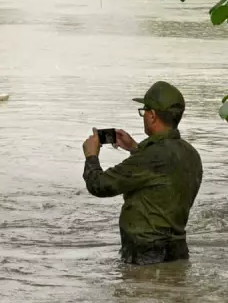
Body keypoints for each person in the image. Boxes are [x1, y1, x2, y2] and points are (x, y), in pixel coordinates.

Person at [82, 81, 202, 265]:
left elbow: (98, 185)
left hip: (146, 256)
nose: (143, 115)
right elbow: (161, 179)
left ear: (152, 115)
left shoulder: (151, 158)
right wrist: (135, 149)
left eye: (144, 111)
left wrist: (91, 155)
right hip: (177, 252)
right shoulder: (190, 153)